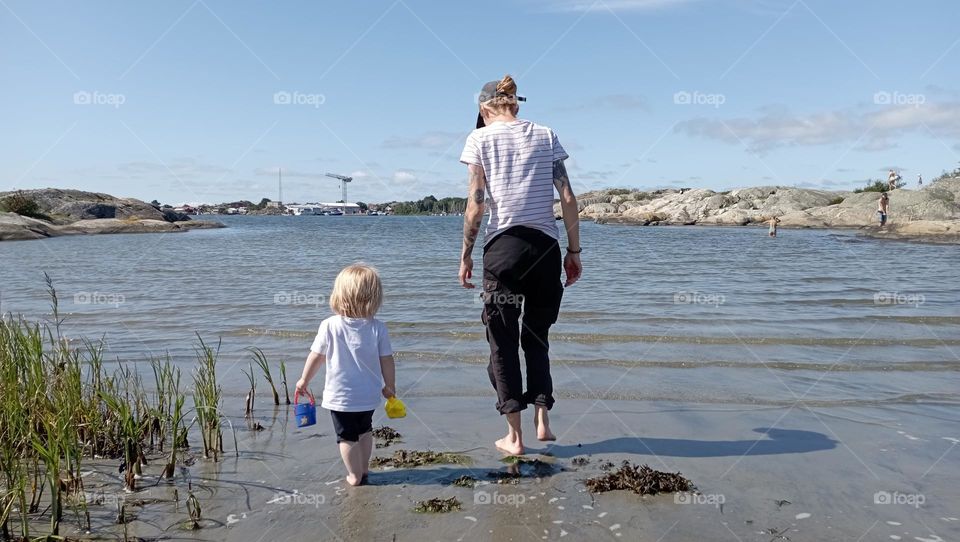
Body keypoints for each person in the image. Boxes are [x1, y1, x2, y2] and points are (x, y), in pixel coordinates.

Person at [459, 74, 582, 456]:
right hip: (545, 248)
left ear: (483, 109)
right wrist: (574, 252)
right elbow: (567, 197)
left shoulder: (479, 138)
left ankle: (514, 438)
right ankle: (543, 420)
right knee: (537, 338)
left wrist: (465, 253)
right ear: (515, 103)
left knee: (502, 343)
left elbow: (477, 203)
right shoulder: (546, 135)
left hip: (504, 250)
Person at [296, 264, 396, 486]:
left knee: (346, 437)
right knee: (365, 431)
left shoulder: (329, 326)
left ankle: (354, 474)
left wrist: (304, 380)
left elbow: (316, 357)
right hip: (368, 395)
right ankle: (365, 468)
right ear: (374, 297)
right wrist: (390, 386)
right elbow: (386, 360)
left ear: (339, 295)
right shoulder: (378, 328)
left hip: (340, 397)